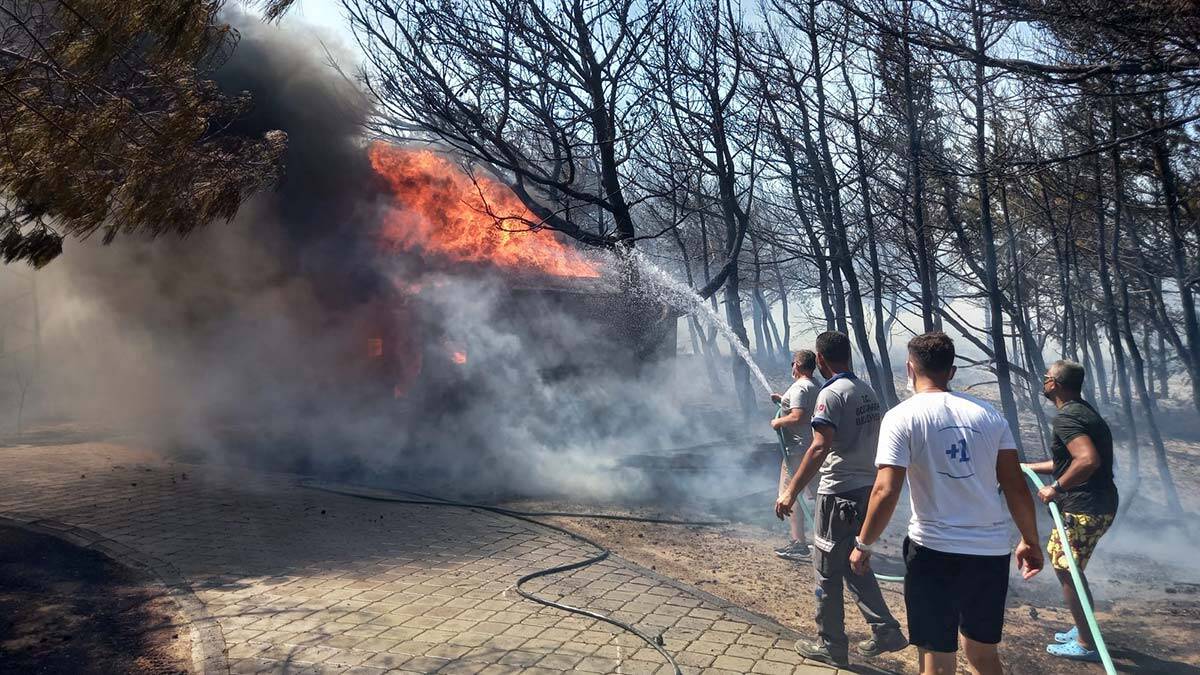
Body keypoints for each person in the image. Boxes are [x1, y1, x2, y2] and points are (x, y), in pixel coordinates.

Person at [849, 331, 1043, 675]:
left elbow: (885, 490)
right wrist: (1030, 540)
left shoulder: (901, 417)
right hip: (989, 553)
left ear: (910, 369)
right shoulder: (991, 416)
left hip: (933, 552)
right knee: (983, 653)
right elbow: (1015, 486)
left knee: (936, 660)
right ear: (951, 372)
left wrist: (864, 543)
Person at [775, 331, 906, 667]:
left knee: (825, 571)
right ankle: (885, 629)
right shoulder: (867, 391)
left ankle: (830, 644)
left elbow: (819, 446)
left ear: (820, 360)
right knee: (851, 561)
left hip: (838, 493)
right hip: (865, 489)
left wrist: (790, 491)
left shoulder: (830, 394)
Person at [1022, 359, 1118, 663]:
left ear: (1056, 384)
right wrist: (1025, 468)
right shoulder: (1083, 411)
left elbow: (1087, 461)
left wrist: (1056, 488)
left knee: (1068, 572)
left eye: (1046, 377)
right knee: (1070, 569)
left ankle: (1086, 643)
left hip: (1084, 507)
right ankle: (1084, 628)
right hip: (1096, 503)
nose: (1044, 381)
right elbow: (1070, 462)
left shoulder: (1066, 418)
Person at [770, 350, 820, 561]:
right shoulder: (815, 385)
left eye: (793, 363)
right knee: (818, 495)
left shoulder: (800, 386)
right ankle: (829, 538)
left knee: (791, 495)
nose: (792, 366)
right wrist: (782, 400)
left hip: (796, 452)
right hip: (811, 449)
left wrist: (778, 422)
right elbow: (805, 410)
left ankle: (799, 543)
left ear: (798, 365)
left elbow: (799, 417)